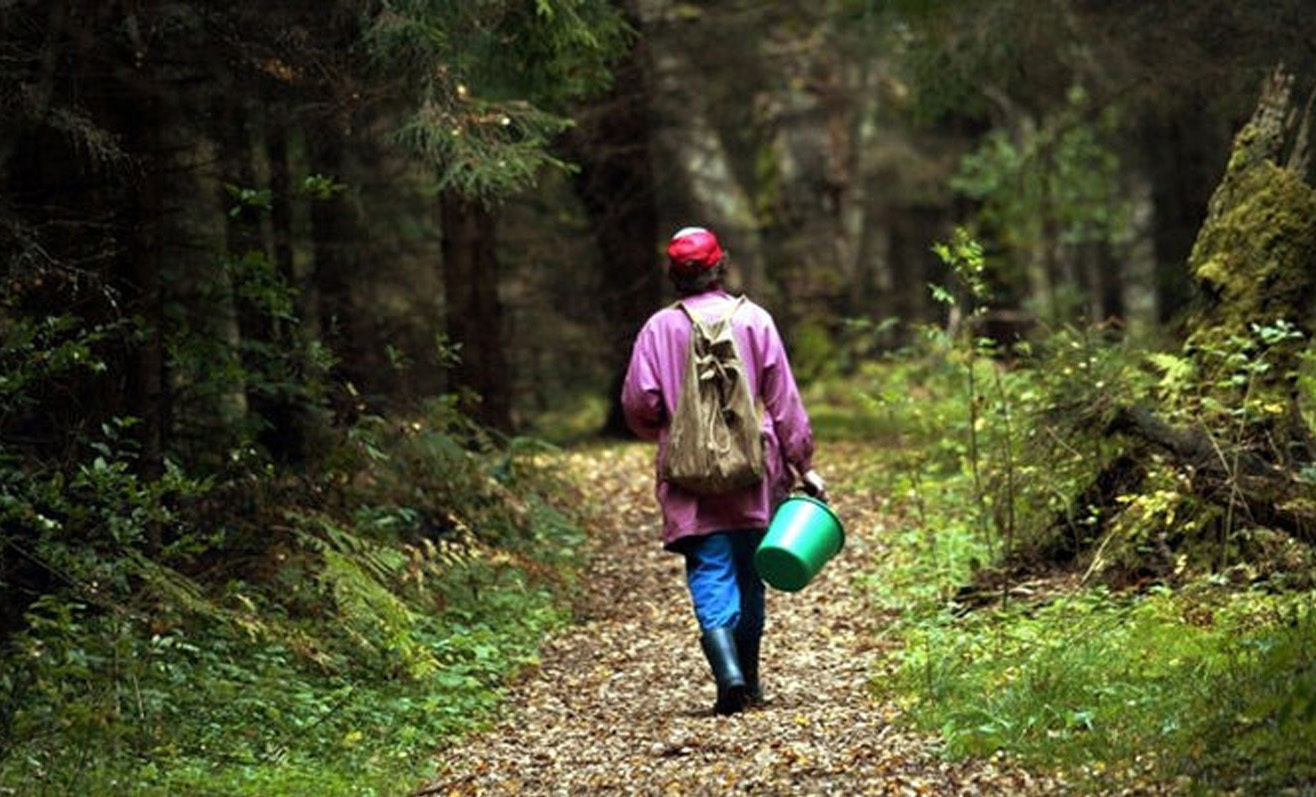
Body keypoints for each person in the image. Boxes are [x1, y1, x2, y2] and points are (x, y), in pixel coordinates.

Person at [621, 226, 825, 716]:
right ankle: (749, 679)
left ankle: (727, 673)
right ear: (722, 264)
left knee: (710, 566)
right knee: (751, 571)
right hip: (755, 469)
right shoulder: (755, 320)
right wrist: (803, 464)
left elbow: (640, 403)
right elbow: (784, 402)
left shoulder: (659, 329)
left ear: (674, 275)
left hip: (689, 475)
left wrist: (669, 429)